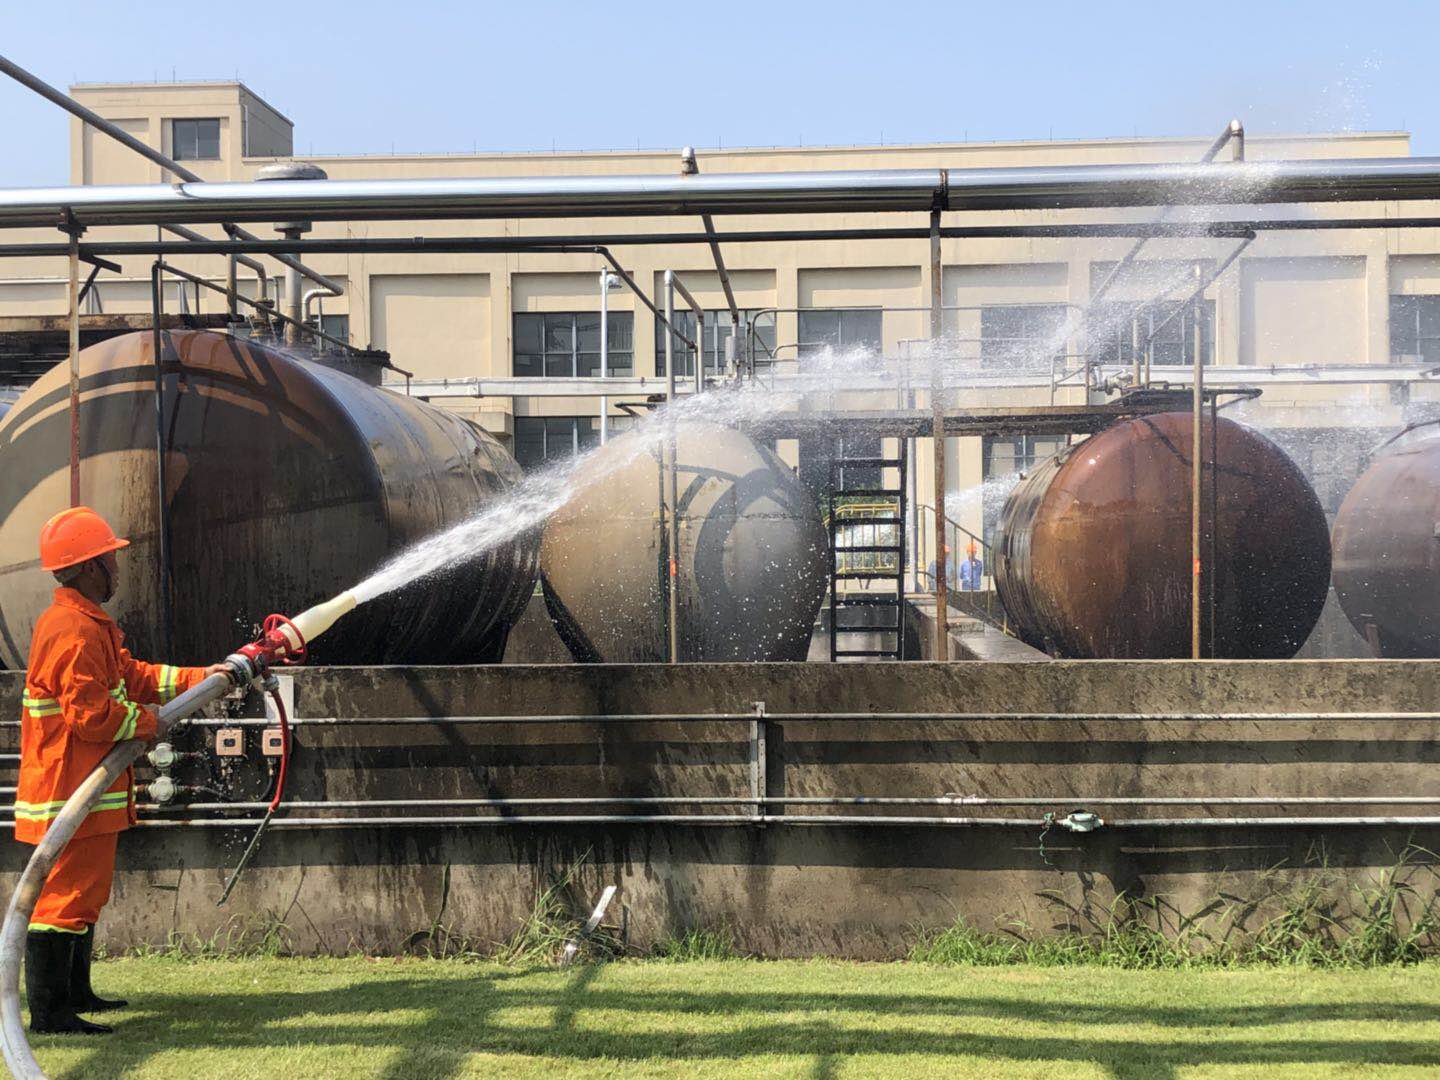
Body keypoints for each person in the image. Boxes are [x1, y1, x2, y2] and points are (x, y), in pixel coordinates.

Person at [16, 507, 222, 1035]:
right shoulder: (72, 631)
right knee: (62, 902)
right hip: (68, 793)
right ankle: (50, 1014)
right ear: (88, 567)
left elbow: (135, 677)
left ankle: (75, 994)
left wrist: (205, 677)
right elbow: (91, 717)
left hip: (83, 791)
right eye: (109, 558)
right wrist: (151, 722)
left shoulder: (88, 626)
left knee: (84, 897)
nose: (117, 567)